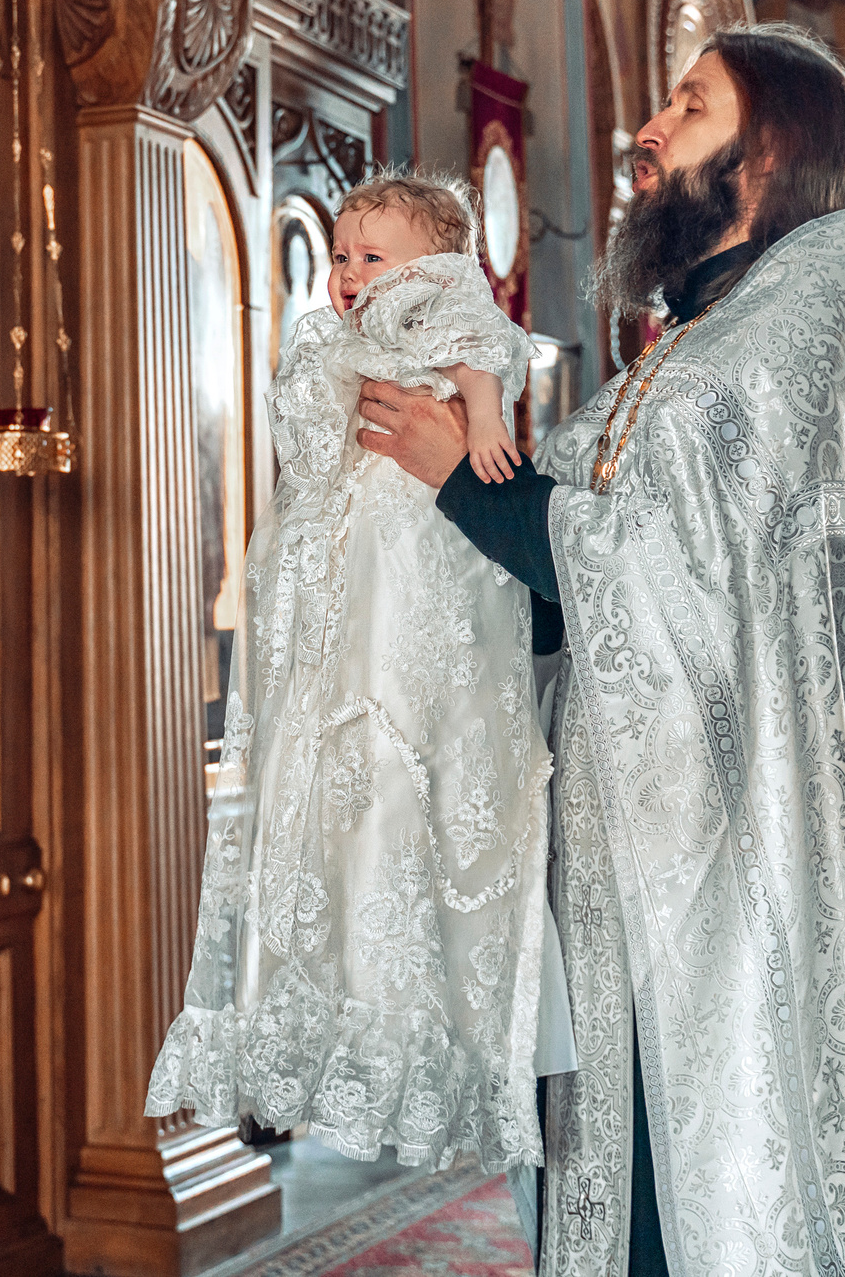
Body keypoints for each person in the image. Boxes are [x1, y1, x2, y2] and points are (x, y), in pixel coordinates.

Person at [358, 24, 845, 1276]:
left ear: (765, 159)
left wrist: (459, 480)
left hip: (711, 869)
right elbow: (579, 591)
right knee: (617, 1184)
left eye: (690, 107)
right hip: (621, 849)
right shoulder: (677, 358)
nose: (649, 133)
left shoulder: (759, 360)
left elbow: (656, 576)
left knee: (694, 1185)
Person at [146, 171, 574, 1172]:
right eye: (340, 256)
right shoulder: (344, 333)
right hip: (354, 539)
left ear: (433, 267)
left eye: (370, 257)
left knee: (412, 735)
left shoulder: (441, 308)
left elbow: (484, 353)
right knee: (342, 764)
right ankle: (343, 1004)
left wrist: (486, 422)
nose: (346, 273)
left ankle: (422, 1017)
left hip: (421, 534)